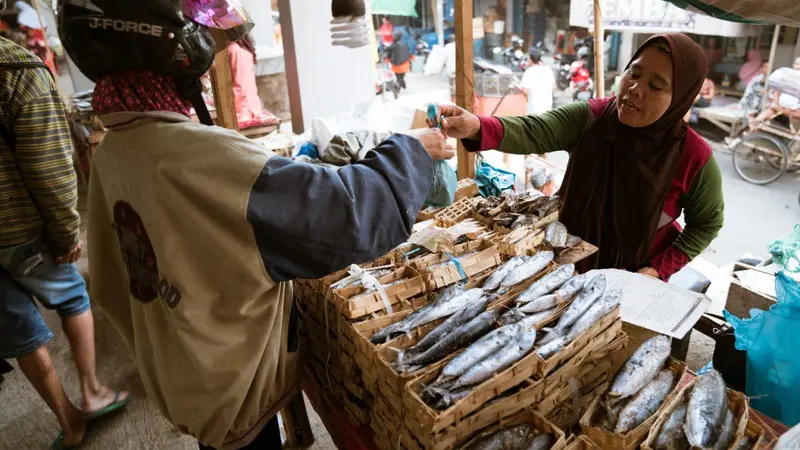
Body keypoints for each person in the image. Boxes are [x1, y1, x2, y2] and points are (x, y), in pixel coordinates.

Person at [57, 1, 453, 449]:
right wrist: (413, 150)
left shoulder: (112, 152)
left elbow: (111, 288)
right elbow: (350, 215)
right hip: (232, 385)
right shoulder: (195, 154)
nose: (209, 72)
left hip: (184, 374)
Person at [430, 33, 724, 281]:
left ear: (681, 98)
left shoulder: (694, 158)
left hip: (635, 277)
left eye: (655, 86)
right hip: (567, 261)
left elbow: (707, 224)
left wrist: (658, 269)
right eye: (633, 73)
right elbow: (534, 129)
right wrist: (477, 125)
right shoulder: (592, 118)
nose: (635, 88)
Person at [0, 34, 129, 449]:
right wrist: (65, 233)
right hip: (21, 230)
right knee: (73, 296)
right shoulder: (17, 71)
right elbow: (49, 169)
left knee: (20, 328)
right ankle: (92, 391)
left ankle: (68, 421)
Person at [225, 33, 279, 128]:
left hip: (242, 111)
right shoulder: (244, 48)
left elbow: (239, 85)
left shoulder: (233, 49)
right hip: (252, 106)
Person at [516, 49, 556, 116]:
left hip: (533, 110)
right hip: (547, 109)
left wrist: (517, 87)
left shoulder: (529, 72)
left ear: (530, 60)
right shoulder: (548, 70)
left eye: (528, 58)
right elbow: (553, 86)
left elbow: (525, 91)